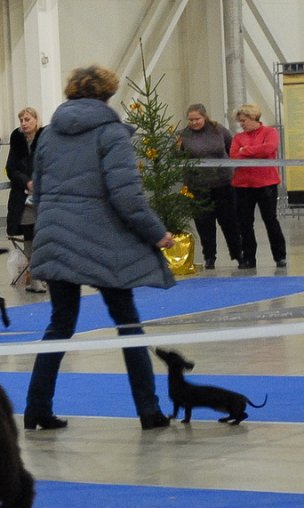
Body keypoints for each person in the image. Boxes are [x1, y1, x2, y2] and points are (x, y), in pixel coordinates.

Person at [23, 65, 175, 432]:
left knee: (59, 325)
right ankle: (148, 411)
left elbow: (37, 192)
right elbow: (127, 196)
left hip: (56, 238)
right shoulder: (111, 133)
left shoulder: (48, 135)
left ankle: (36, 409)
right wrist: (158, 234)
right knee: (128, 324)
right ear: (107, 94)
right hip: (104, 244)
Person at [178, 104, 242, 269]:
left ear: (204, 117)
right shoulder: (183, 135)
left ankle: (237, 254)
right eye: (191, 120)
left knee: (229, 221)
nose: (194, 122)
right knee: (204, 223)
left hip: (223, 183)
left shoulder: (219, 130)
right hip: (197, 186)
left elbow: (231, 147)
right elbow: (177, 156)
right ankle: (209, 257)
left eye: (197, 119)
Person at [229, 103, 287, 269]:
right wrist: (253, 150)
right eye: (240, 121)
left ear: (254, 118)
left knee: (270, 220)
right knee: (245, 223)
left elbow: (269, 148)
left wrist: (245, 150)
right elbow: (234, 156)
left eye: (244, 120)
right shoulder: (237, 138)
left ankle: (280, 256)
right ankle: (248, 258)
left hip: (266, 184)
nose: (241, 124)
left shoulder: (270, 132)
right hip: (242, 185)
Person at [5, 107, 46, 293]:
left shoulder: (45, 138)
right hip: (24, 198)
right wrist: (27, 182)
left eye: (27, 119)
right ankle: (34, 278)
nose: (23, 122)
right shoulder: (17, 140)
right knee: (30, 234)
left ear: (36, 120)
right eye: (21, 119)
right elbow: (11, 168)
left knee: (45, 236)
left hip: (45, 195)